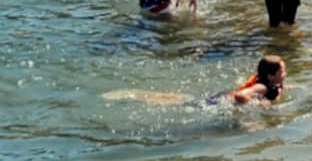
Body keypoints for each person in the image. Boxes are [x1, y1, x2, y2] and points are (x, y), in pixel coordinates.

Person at [102, 55, 287, 106]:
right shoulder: (262, 87)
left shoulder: (269, 83)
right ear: (271, 76)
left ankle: (138, 94)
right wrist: (257, 106)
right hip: (220, 102)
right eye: (283, 71)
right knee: (178, 102)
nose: (285, 74)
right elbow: (240, 95)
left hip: (220, 97)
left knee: (183, 99)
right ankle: (136, 95)